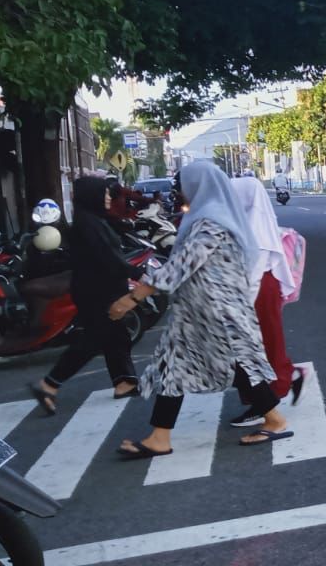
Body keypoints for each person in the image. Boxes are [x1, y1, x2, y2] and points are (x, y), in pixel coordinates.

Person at [108, 163, 291, 457]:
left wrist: (135, 297)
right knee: (175, 367)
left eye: (182, 185)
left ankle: (275, 419)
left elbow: (184, 263)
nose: (179, 192)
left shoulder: (213, 221)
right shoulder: (206, 216)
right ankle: (160, 437)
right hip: (197, 311)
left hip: (219, 312)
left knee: (236, 365)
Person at [27, 178, 143, 414]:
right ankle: (49, 384)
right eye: (104, 193)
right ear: (91, 196)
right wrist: (137, 272)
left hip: (102, 288)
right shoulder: (88, 225)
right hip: (96, 291)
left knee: (117, 336)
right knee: (94, 339)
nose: (109, 197)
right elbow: (107, 258)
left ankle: (125, 382)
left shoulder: (93, 220)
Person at [229, 177, 305, 427]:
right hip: (261, 287)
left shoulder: (255, 226)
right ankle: (285, 378)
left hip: (258, 289)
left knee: (259, 344)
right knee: (264, 342)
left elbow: (255, 267)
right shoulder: (251, 219)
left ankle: (265, 402)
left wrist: (241, 303)